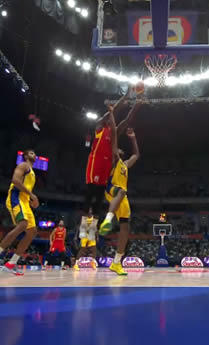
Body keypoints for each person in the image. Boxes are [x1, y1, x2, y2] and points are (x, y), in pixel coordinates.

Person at [84, 91, 142, 223]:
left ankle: (92, 232)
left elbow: (127, 120)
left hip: (107, 166)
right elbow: (113, 111)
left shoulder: (114, 133)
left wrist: (137, 106)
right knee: (90, 197)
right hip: (96, 162)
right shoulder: (100, 126)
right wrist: (126, 96)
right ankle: (83, 231)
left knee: (97, 201)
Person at [0, 149, 39, 276]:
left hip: (24, 201)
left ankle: (11, 263)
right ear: (25, 156)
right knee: (23, 225)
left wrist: (30, 199)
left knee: (32, 232)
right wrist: (32, 195)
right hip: (16, 198)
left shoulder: (32, 173)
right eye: (31, 153)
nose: (34, 155)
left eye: (34, 153)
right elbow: (15, 180)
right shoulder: (23, 165)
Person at [99, 121, 140, 275]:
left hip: (122, 196)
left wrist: (133, 138)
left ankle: (116, 262)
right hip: (112, 189)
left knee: (125, 228)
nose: (119, 149)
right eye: (117, 149)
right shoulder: (114, 160)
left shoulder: (125, 164)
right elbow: (114, 139)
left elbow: (136, 155)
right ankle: (108, 219)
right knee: (122, 191)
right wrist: (115, 127)